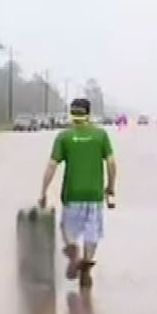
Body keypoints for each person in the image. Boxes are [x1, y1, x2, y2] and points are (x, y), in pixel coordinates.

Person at [39, 98, 117, 288]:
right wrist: (111, 187)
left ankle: (73, 249)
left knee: (67, 229)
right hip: (94, 194)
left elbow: (52, 165)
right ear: (88, 114)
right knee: (92, 232)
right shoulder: (100, 135)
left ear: (72, 114)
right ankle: (86, 266)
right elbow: (111, 163)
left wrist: (43, 191)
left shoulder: (64, 137)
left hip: (72, 194)